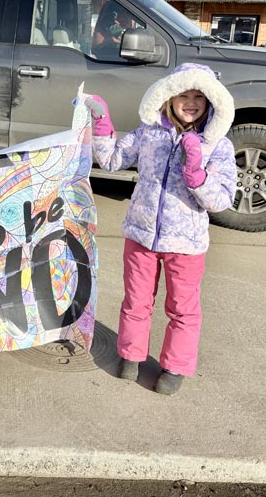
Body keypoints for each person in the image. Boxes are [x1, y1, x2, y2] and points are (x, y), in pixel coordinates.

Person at [85, 63, 236, 395]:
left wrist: (197, 176)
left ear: (211, 102)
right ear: (169, 96)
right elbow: (112, 160)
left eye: (199, 95)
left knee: (182, 308)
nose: (191, 101)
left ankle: (175, 366)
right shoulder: (149, 133)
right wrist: (101, 123)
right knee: (136, 301)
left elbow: (223, 199)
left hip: (186, 244)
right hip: (141, 234)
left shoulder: (217, 145)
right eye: (184, 94)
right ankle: (131, 356)